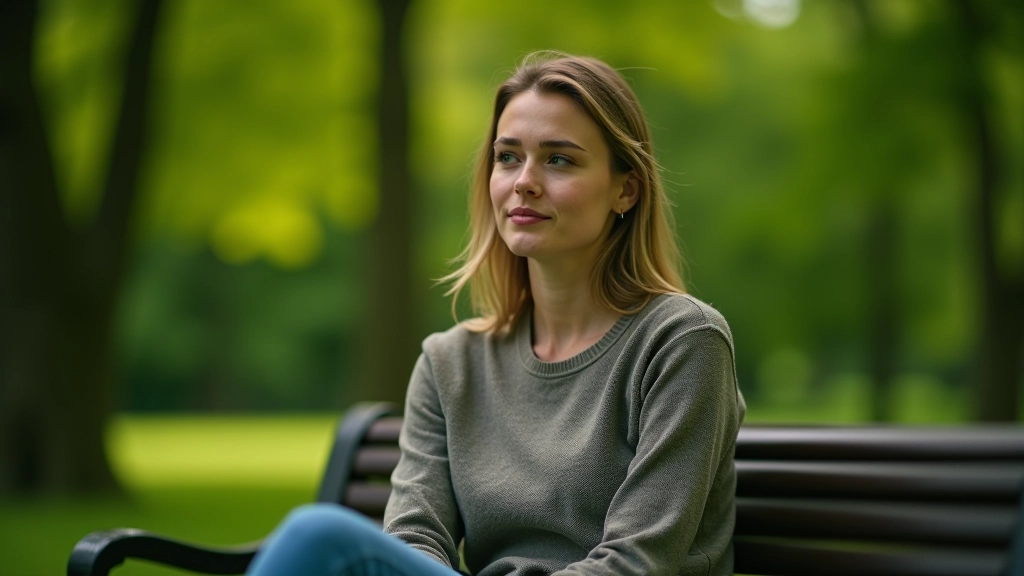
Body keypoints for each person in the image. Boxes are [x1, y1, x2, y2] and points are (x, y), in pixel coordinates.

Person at [247, 51, 745, 576]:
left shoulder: (681, 342)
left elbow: (638, 561)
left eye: (559, 160)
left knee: (319, 537)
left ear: (625, 189)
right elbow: (414, 536)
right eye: (508, 157)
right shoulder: (451, 363)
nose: (524, 181)